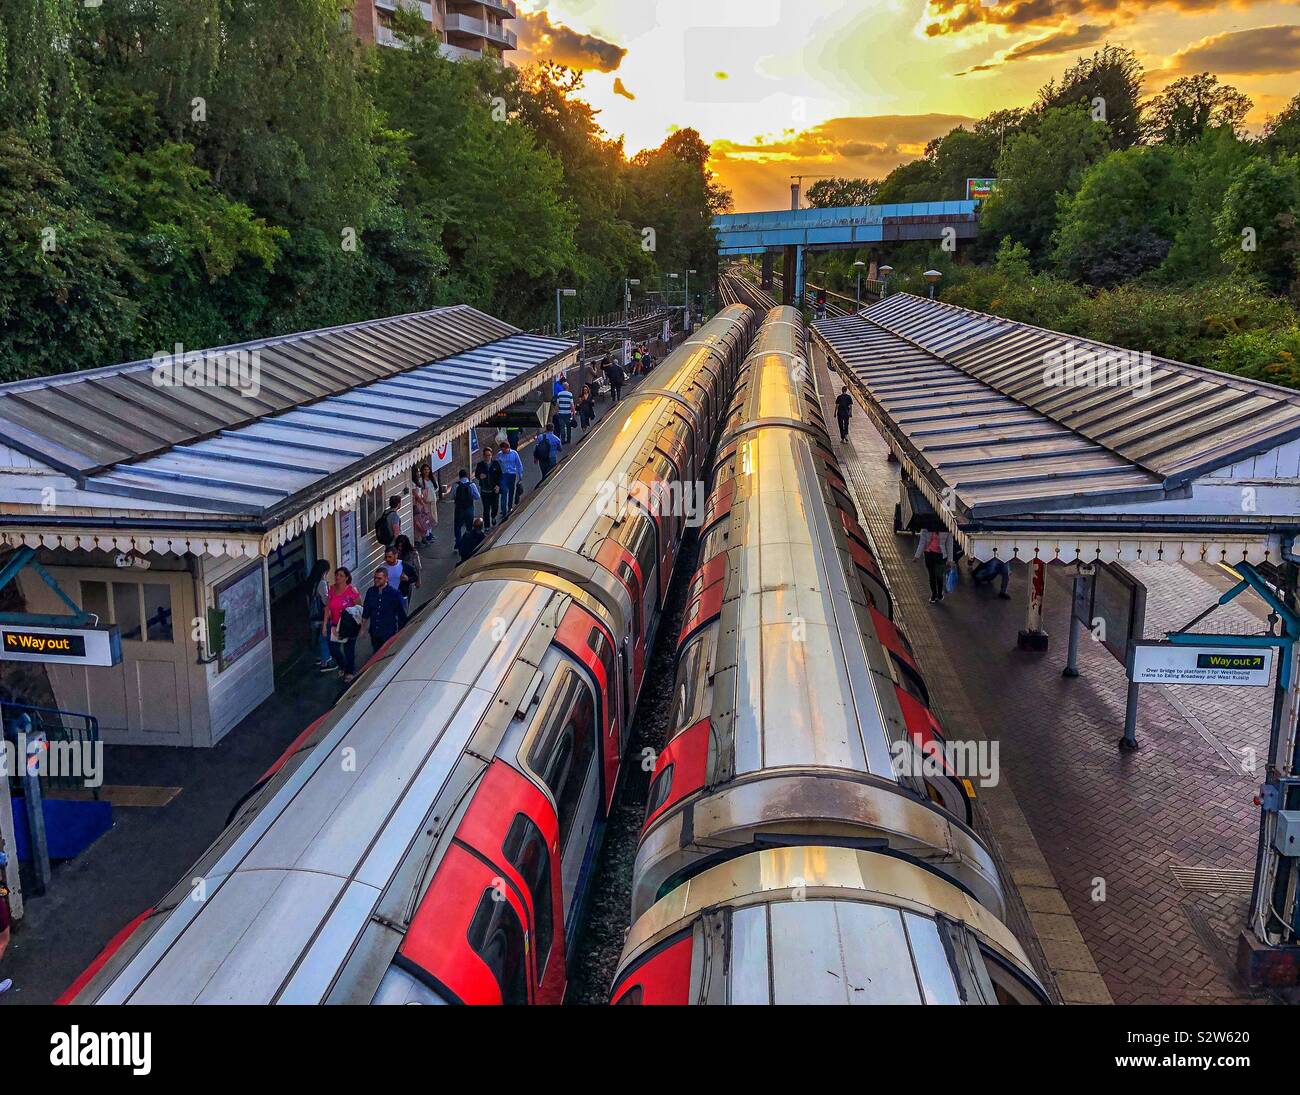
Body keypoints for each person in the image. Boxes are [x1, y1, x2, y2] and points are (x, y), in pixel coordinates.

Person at [325, 567, 362, 683]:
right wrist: (324, 625)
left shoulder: (352, 590)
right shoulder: (331, 589)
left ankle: (350, 671)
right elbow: (328, 607)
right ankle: (343, 665)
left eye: (341, 575)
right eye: (336, 575)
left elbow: (359, 608)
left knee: (348, 649)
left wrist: (361, 626)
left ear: (346, 577)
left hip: (348, 625)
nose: (337, 577)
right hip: (335, 624)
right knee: (333, 648)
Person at [362, 566, 408, 653]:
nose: (376, 580)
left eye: (379, 578)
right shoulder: (370, 592)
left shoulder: (394, 594)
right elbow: (366, 610)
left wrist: (401, 631)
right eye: (375, 578)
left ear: (386, 579)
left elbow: (402, 614)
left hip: (388, 631)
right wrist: (363, 628)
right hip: (375, 631)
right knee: (376, 652)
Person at [913, 526, 955, 604]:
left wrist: (950, 559)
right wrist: (917, 555)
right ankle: (934, 594)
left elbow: (949, 544)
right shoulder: (926, 527)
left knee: (939, 576)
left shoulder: (947, 528)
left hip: (940, 555)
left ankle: (939, 593)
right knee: (932, 575)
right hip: (929, 554)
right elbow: (922, 542)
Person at [307, 559, 334, 671]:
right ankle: (325, 661)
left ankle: (319, 657)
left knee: (319, 636)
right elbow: (326, 600)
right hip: (322, 614)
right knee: (324, 637)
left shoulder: (311, 581)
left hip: (314, 614)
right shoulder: (322, 583)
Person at [451, 468, 481, 551]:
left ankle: (458, 543)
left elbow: (452, 497)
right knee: (469, 527)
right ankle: (468, 543)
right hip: (469, 508)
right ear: (467, 476)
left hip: (459, 509)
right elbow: (477, 496)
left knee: (457, 527)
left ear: (459, 476)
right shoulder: (471, 485)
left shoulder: (455, 485)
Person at [497, 441, 524, 518]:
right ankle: (504, 510)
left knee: (511, 491)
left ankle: (509, 507)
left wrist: (520, 475)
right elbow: (496, 465)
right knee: (504, 492)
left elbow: (519, 464)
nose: (503, 451)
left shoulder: (514, 453)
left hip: (512, 474)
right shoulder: (499, 455)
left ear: (508, 448)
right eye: (502, 450)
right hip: (503, 475)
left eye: (504, 450)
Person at [475, 452, 501, 530]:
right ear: (483, 456)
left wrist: (498, 486)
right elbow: (476, 474)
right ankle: (487, 526)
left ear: (491, 455)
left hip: (494, 490)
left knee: (495, 506)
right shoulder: (480, 465)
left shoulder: (495, 464)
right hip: (485, 491)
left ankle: (493, 516)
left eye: (489, 455)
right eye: (486, 455)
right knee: (486, 509)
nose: (488, 457)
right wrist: (480, 476)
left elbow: (500, 475)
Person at [412, 464, 436, 545]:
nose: (426, 471)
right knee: (422, 521)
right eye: (418, 471)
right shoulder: (418, 481)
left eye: (428, 469)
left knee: (429, 518)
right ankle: (421, 538)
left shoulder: (429, 479)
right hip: (422, 503)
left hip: (429, 501)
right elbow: (416, 494)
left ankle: (428, 535)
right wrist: (422, 502)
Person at [395, 535, 421, 604]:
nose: (400, 548)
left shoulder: (413, 553)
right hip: (396, 579)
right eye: (398, 546)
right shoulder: (395, 553)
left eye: (401, 546)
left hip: (407, 579)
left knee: (406, 599)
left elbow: (417, 567)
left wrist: (418, 580)